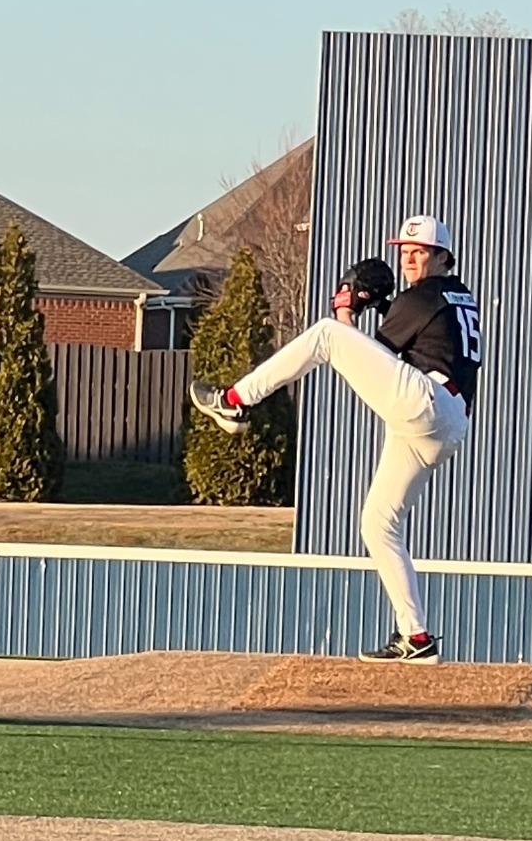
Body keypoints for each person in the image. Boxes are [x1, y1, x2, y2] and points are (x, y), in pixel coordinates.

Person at [190, 214, 481, 663]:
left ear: (443, 257)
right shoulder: (452, 294)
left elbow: (364, 348)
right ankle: (417, 637)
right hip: (445, 420)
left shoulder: (424, 295)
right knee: (378, 523)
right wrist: (383, 306)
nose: (409, 259)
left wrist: (347, 306)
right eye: (404, 251)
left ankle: (234, 399)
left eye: (420, 252)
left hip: (427, 401)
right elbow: (407, 347)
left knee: (327, 334)